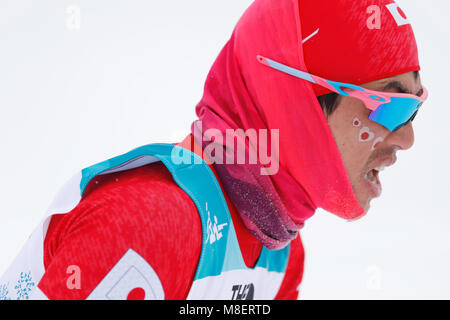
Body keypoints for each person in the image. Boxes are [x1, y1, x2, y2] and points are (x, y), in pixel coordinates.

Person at [0, 0, 427, 300]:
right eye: (391, 108)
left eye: (417, 108)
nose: (407, 138)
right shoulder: (152, 223)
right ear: (294, 101)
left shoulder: (280, 253)